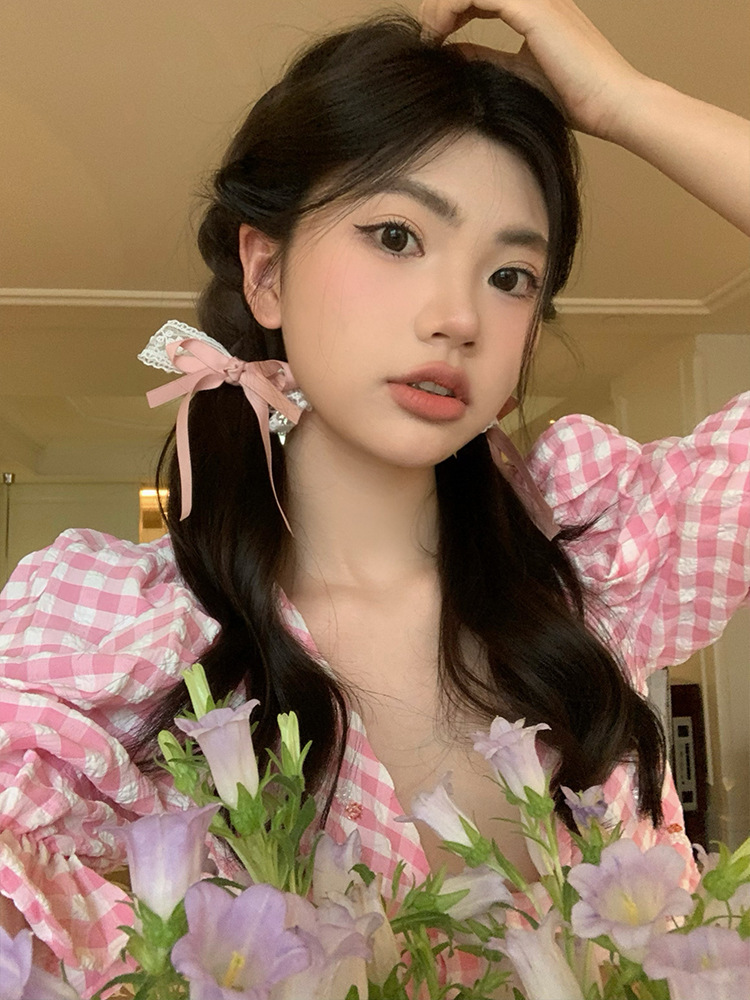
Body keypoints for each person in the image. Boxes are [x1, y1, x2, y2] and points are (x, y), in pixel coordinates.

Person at [1, 0, 749, 993]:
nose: (458, 316)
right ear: (265, 272)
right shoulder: (112, 652)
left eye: (511, 275)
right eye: (396, 235)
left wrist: (628, 102)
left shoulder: (592, 563)